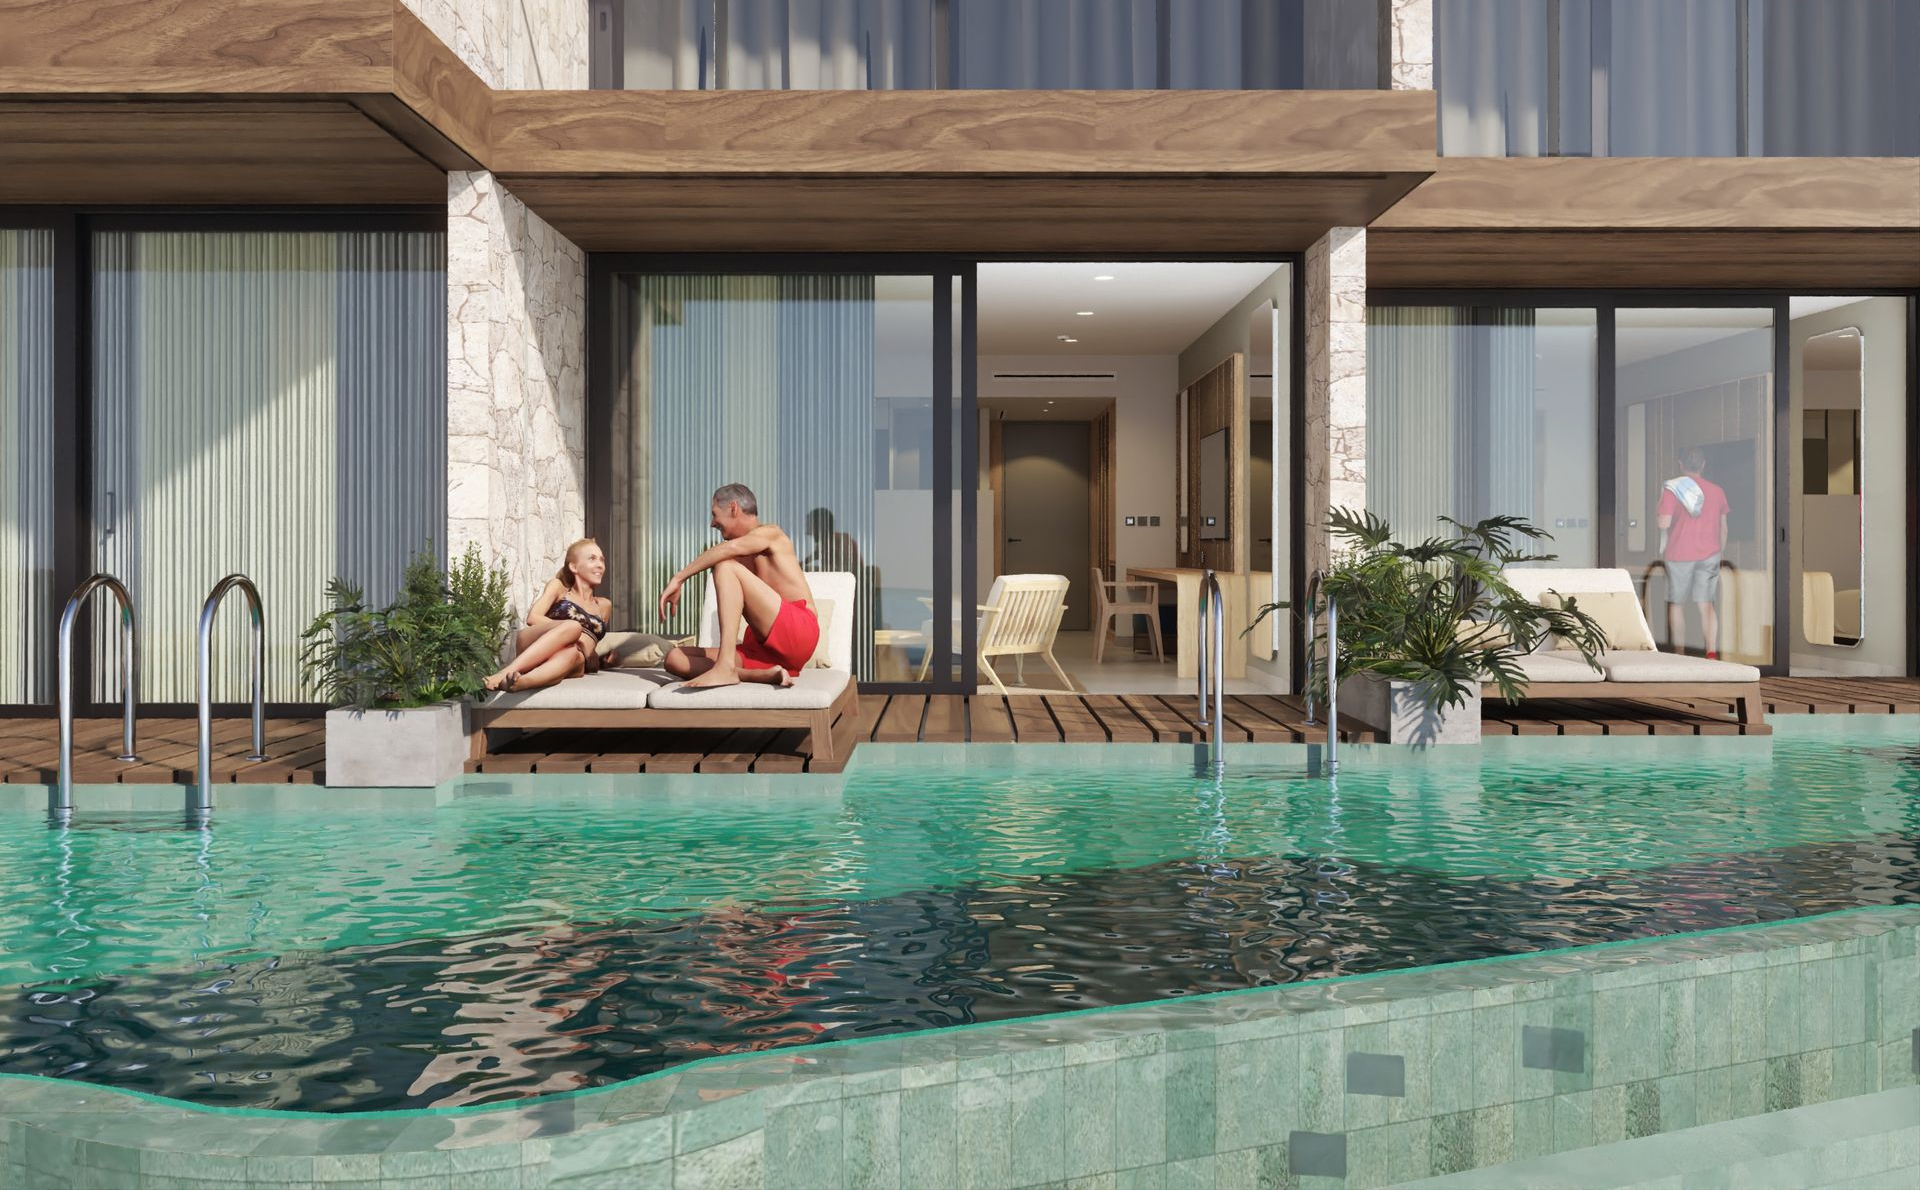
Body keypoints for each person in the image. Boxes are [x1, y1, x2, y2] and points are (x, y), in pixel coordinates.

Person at [661, 483, 820, 690]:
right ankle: (756, 675)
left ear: (733, 508)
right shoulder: (739, 557)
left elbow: (728, 550)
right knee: (675, 658)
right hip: (763, 649)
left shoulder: (771, 534)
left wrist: (679, 578)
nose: (712, 523)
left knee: (725, 565)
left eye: (715, 514)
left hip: (798, 631)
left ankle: (725, 667)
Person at [483, 539, 622, 692]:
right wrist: (579, 637)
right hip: (534, 642)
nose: (600, 565)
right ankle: (504, 672)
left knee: (573, 655)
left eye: (602, 560)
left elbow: (590, 650)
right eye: (592, 559)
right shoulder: (559, 588)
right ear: (573, 566)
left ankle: (522, 682)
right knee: (573, 627)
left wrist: (602, 661)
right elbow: (533, 618)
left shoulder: (604, 605)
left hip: (571, 657)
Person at [1656, 446, 1730, 658]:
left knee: (1677, 604)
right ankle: (1711, 651)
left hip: (1679, 554)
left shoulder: (1673, 489)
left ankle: (1679, 651)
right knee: (1706, 603)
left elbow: (1664, 523)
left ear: (1681, 464)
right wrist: (1719, 554)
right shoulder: (1717, 492)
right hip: (1710, 554)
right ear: (1703, 465)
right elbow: (1723, 528)